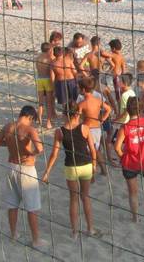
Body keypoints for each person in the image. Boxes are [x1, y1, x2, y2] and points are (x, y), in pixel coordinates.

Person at [41, 102, 100, 240]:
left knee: (73, 199)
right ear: (77, 114)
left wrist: (47, 172)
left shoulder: (60, 131)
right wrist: (94, 167)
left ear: (65, 114)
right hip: (86, 166)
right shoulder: (85, 128)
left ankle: (74, 232)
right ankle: (90, 229)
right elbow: (92, 150)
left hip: (71, 167)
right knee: (85, 197)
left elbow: (54, 155)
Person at [0, 105, 45, 247]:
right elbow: (40, 149)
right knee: (32, 206)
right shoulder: (29, 130)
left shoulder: (8, 126)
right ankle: (36, 240)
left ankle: (13, 234)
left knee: (12, 204)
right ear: (30, 117)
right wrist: (29, 153)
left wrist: (10, 145)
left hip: (11, 167)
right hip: (26, 168)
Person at [114, 97, 144, 222]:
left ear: (128, 111)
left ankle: (135, 218)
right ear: (141, 109)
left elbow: (117, 147)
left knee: (133, 192)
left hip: (129, 164)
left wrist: (122, 159)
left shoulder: (124, 128)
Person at [76, 76, 111, 176]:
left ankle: (94, 172)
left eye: (79, 88)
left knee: (91, 151)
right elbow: (109, 109)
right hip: (97, 128)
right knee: (95, 149)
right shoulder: (97, 100)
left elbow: (77, 118)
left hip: (88, 129)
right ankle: (102, 170)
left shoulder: (82, 104)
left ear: (83, 89)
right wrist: (103, 119)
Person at [35, 42, 56, 129]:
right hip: (47, 80)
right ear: (49, 50)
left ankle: (39, 118)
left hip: (39, 80)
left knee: (40, 102)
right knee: (49, 102)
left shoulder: (38, 58)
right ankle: (48, 122)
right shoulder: (50, 59)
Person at [105, 39, 127, 104]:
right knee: (121, 93)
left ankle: (119, 108)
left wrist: (108, 60)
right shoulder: (121, 56)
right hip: (121, 76)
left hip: (116, 77)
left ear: (113, 48)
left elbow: (105, 54)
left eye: (111, 48)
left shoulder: (114, 55)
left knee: (118, 95)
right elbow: (123, 68)